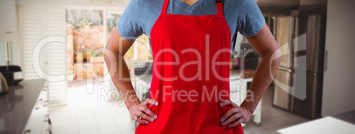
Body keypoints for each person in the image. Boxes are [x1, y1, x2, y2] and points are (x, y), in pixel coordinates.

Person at [104, 0, 281, 133]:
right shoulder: (146, 3)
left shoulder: (237, 3)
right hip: (160, 122)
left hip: (218, 123)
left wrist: (249, 107)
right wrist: (131, 103)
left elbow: (272, 54)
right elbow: (112, 51)